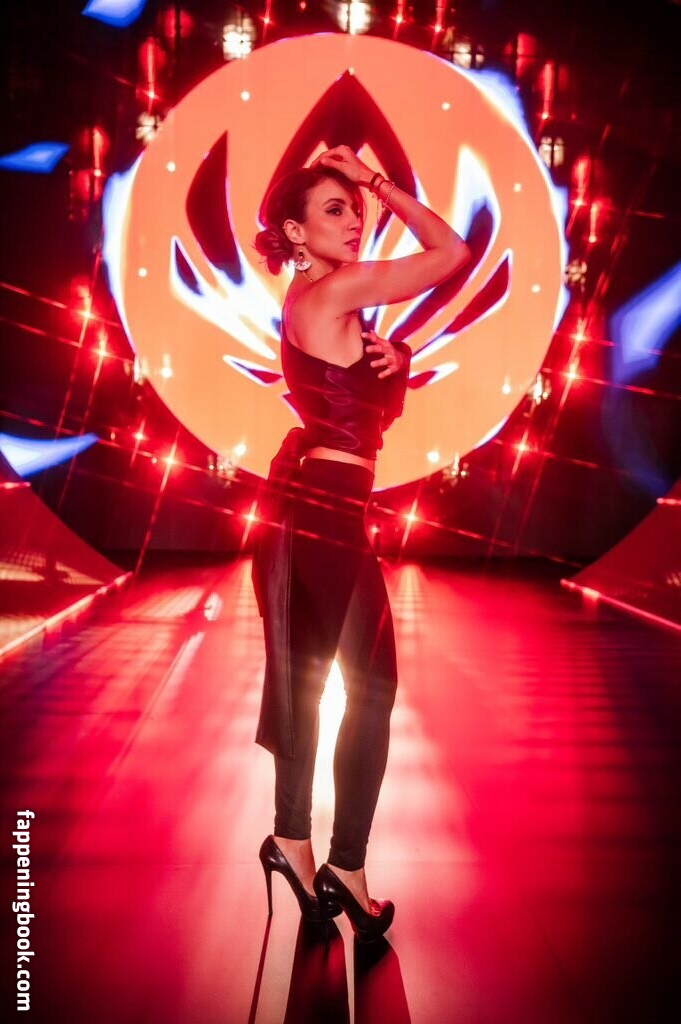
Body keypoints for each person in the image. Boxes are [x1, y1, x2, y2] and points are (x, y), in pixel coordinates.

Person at [251, 145, 471, 942]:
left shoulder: (323, 301)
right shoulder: (334, 290)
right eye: (335, 209)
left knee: (328, 687)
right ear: (295, 231)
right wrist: (379, 178)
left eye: (359, 209)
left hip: (329, 509)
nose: (357, 221)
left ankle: (307, 846)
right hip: (324, 512)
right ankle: (328, 857)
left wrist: (396, 359)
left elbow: (362, 410)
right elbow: (451, 253)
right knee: (361, 692)